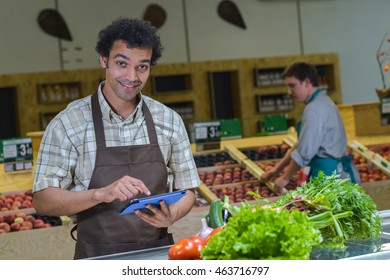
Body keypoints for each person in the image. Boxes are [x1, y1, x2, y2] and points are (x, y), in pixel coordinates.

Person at [32, 17, 201, 259]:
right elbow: (43, 201)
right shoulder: (67, 124)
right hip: (96, 258)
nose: (132, 76)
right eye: (122, 63)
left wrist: (172, 214)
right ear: (104, 60)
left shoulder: (169, 120)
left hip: (156, 254)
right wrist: (100, 194)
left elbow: (188, 190)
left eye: (142, 66)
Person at [261, 61, 357, 194]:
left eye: (292, 86)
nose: (289, 92)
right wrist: (276, 170)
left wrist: (285, 178)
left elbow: (304, 152)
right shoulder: (323, 102)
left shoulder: (314, 110)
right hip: (327, 171)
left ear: (306, 82)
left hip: (327, 176)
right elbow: (301, 144)